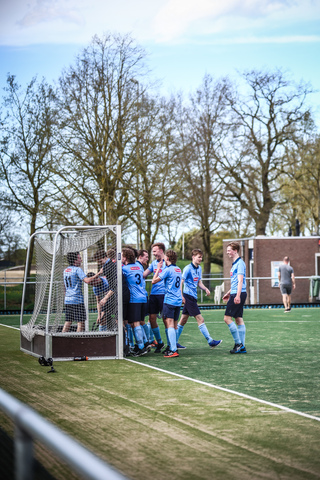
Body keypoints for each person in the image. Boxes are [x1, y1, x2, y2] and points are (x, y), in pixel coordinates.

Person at [176, 249, 222, 349]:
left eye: (201, 257)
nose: (200, 259)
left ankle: (173, 342)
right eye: (199, 257)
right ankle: (210, 341)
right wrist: (181, 296)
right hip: (188, 296)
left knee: (183, 320)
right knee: (200, 319)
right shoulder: (187, 268)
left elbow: (199, 282)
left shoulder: (199, 268)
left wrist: (205, 289)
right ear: (193, 257)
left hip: (193, 296)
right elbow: (181, 282)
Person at [152, 249, 182, 358]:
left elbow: (153, 281)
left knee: (169, 324)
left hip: (169, 300)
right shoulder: (178, 269)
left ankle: (173, 349)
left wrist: (158, 269)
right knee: (174, 325)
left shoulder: (167, 269)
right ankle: (172, 346)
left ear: (167, 259)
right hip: (178, 301)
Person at [122, 247, 149, 356]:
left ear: (126, 257)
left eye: (122, 256)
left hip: (134, 299)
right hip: (143, 297)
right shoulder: (139, 267)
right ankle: (143, 344)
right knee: (136, 322)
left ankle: (141, 347)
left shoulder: (125, 269)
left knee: (135, 323)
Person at [222, 242, 247, 354]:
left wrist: (236, 295)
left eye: (229, 250)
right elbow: (235, 282)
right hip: (236, 292)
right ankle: (242, 347)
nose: (227, 252)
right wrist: (229, 292)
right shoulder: (235, 263)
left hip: (239, 293)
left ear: (235, 250)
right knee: (238, 319)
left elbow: (241, 280)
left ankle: (238, 344)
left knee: (227, 318)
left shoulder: (240, 263)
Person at [63, 252, 94, 333]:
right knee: (81, 323)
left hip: (67, 300)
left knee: (68, 321)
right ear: (75, 260)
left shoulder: (65, 270)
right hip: (77, 300)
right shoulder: (77, 269)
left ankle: (60, 340)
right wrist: (98, 274)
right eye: (79, 258)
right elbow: (87, 280)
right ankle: (77, 342)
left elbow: (64, 286)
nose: (81, 260)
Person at [143, 242, 166, 353]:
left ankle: (171, 344)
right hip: (153, 295)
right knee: (152, 319)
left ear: (161, 251)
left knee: (167, 320)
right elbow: (143, 275)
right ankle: (159, 342)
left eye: (155, 251)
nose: (154, 254)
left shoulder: (168, 262)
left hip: (164, 295)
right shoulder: (153, 263)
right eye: (153, 252)